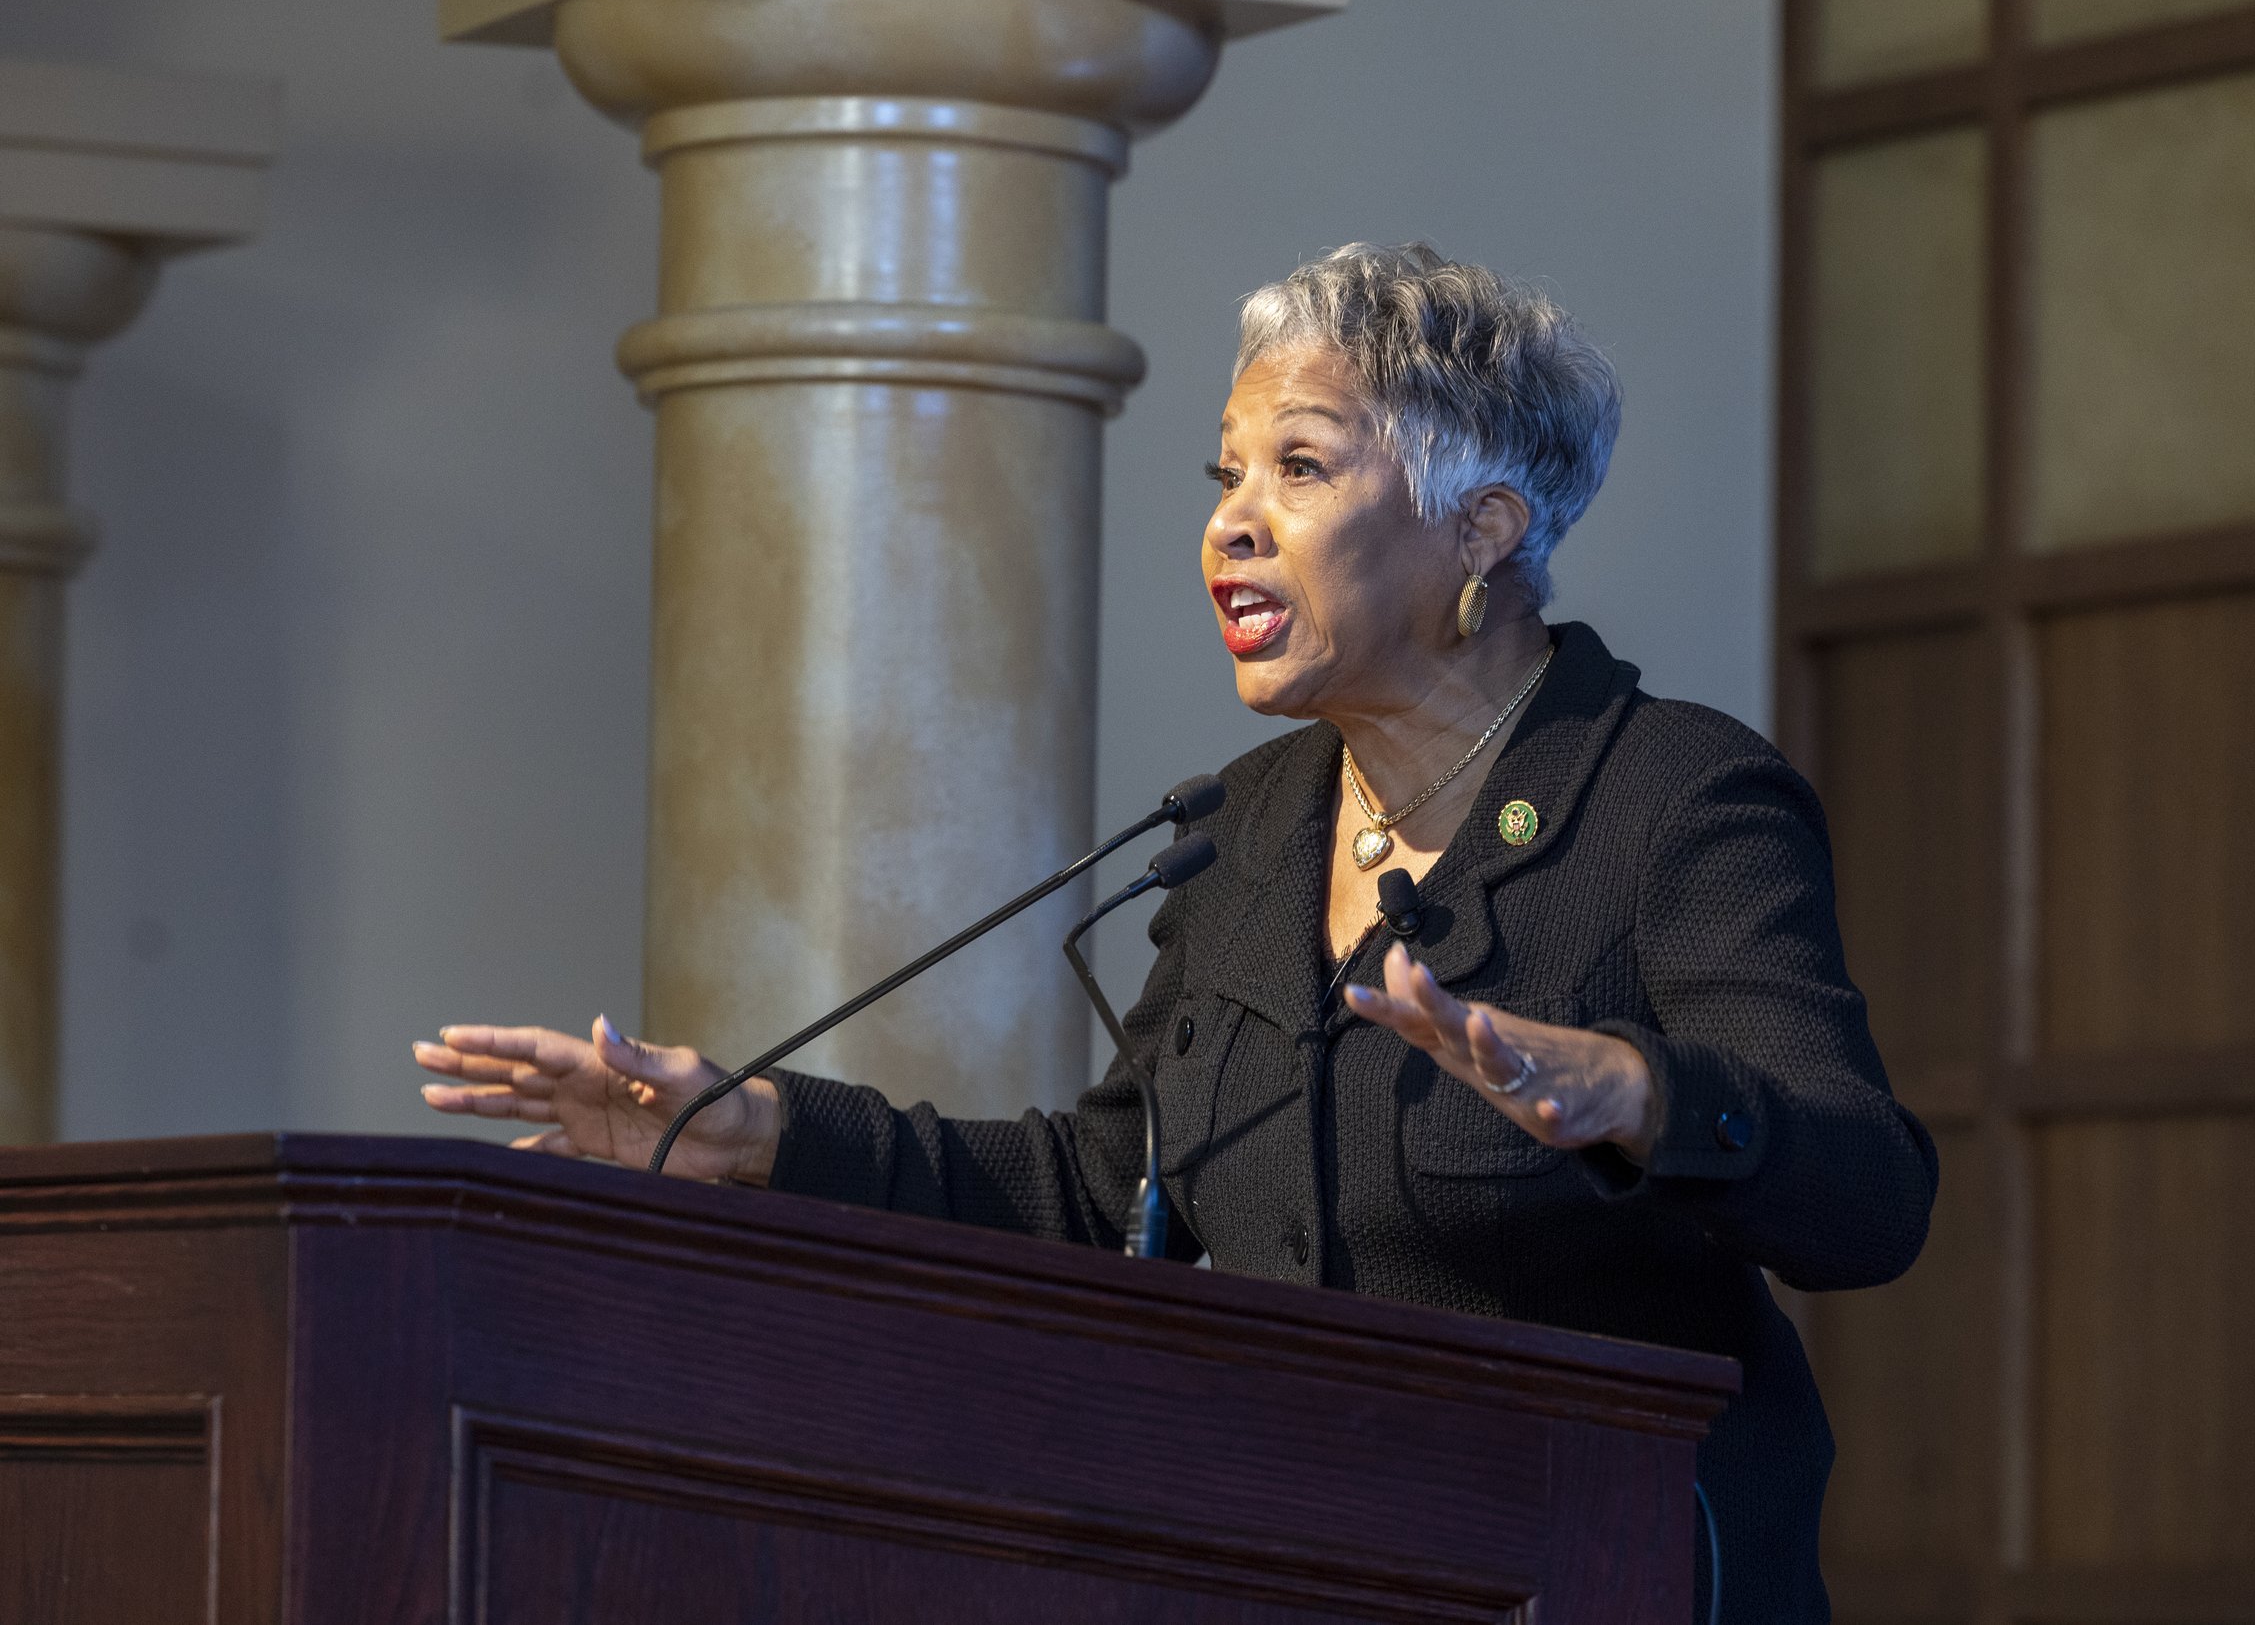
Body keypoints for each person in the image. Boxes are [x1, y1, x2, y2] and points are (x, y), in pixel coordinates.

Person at [415, 241, 1937, 1623]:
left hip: (1606, 1571)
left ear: (1482, 527)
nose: (1232, 526)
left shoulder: (1673, 795)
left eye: (1298, 467)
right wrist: (755, 1133)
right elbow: (1107, 1190)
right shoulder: (1252, 826)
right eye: (1224, 476)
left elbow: (1867, 1198)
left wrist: (1637, 1094)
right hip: (1296, 1566)